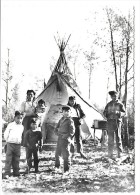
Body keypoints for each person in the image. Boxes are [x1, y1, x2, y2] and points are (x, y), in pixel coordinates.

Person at [103, 90, 126, 158]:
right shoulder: (108, 104)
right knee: (110, 138)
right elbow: (104, 112)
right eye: (112, 96)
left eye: (115, 96)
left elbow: (124, 113)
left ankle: (120, 153)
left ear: (117, 96)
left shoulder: (120, 104)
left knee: (118, 137)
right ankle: (110, 153)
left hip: (117, 122)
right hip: (110, 122)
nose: (114, 97)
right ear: (111, 97)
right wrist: (107, 114)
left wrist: (118, 113)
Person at [3, 111, 24, 179]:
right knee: (8, 159)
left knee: (16, 159)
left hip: (17, 145)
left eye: (21, 118)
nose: (19, 120)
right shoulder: (10, 125)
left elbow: (21, 135)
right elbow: (6, 134)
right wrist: (8, 141)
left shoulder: (22, 127)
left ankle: (16, 172)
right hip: (10, 144)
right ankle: (7, 173)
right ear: (14, 118)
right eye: (18, 118)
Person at [54, 106, 75, 173]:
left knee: (66, 155)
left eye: (68, 111)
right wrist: (56, 132)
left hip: (66, 139)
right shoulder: (61, 119)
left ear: (70, 112)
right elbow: (56, 127)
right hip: (60, 138)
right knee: (58, 153)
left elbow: (72, 132)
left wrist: (66, 136)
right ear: (62, 112)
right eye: (64, 111)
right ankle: (57, 167)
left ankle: (66, 170)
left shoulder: (70, 121)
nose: (66, 113)